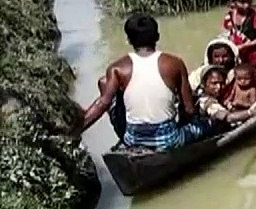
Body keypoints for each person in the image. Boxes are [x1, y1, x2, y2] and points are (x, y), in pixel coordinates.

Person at [75, 14, 207, 149]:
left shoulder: (117, 68)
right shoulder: (175, 63)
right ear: (157, 37)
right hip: (168, 139)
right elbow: (189, 109)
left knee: (107, 87)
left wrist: (75, 131)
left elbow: (102, 104)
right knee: (205, 125)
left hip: (133, 139)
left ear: (128, 40)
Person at [196, 67, 256, 133]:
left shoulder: (220, 95)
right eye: (214, 83)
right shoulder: (206, 101)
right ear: (204, 84)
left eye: (221, 83)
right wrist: (253, 113)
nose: (219, 87)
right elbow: (229, 118)